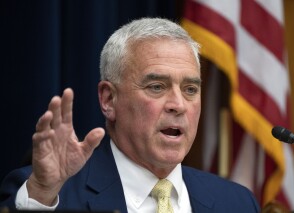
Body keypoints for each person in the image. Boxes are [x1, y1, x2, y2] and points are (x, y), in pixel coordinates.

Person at [0, 17, 260, 212]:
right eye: (157, 87)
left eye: (190, 89)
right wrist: (42, 193)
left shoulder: (237, 202)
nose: (179, 105)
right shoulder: (47, 195)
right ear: (108, 99)